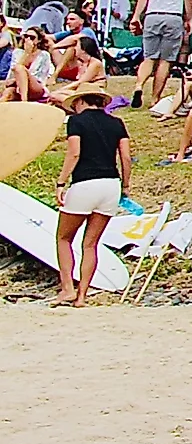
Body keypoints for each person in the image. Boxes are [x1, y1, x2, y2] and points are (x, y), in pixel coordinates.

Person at [49, 83, 128, 307]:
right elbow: (125, 157)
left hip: (85, 183)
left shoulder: (76, 121)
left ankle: (67, 289)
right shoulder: (116, 123)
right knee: (90, 244)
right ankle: (82, 295)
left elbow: (74, 153)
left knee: (64, 238)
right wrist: (126, 185)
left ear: (81, 101)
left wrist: (61, 182)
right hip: (111, 184)